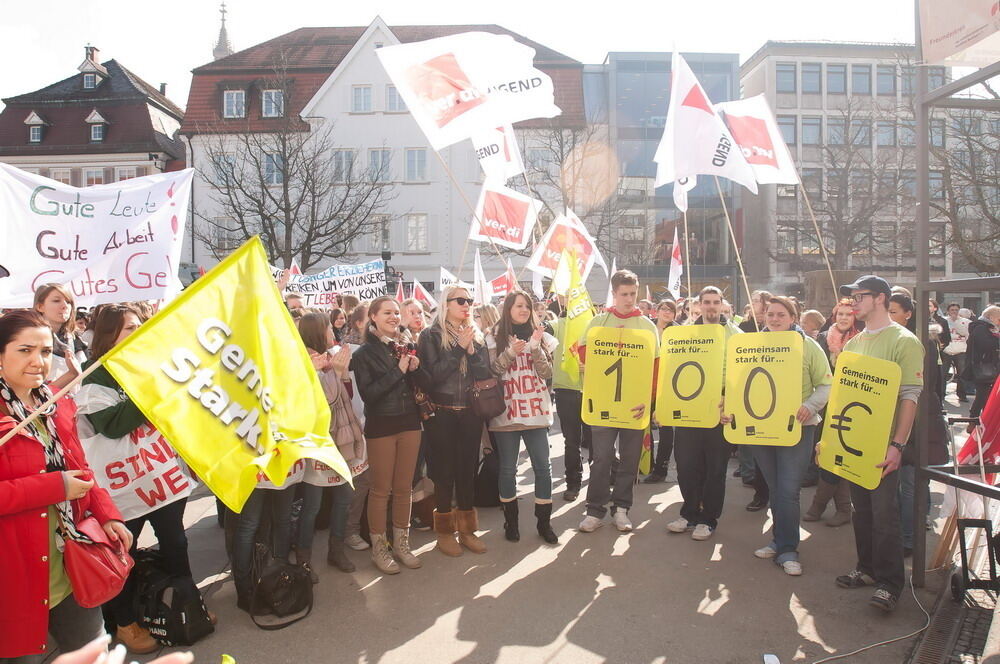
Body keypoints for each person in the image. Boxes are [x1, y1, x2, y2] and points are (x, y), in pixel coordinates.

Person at [0, 310, 131, 663]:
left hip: (71, 564)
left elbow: (81, 468)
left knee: (94, 656)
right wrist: (53, 487)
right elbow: (61, 481)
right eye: (25, 350)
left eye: (45, 352)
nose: (38, 361)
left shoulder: (52, 405)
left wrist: (107, 515)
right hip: (14, 578)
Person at [75, 305, 199, 653]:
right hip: (123, 486)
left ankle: (187, 604)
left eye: (140, 325)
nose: (138, 331)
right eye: (130, 328)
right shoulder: (93, 374)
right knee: (123, 552)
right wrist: (151, 389)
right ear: (109, 334)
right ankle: (126, 622)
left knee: (176, 541)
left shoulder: (151, 362)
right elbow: (111, 425)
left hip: (160, 477)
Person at [831, 275, 923, 612]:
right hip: (855, 443)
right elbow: (842, 397)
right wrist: (830, 441)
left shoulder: (904, 341)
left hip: (885, 447)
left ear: (881, 299)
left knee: (886, 515)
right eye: (852, 297)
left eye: (860, 296)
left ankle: (890, 583)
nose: (853, 303)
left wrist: (897, 446)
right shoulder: (853, 344)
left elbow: (911, 397)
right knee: (862, 511)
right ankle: (867, 569)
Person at [743, 297, 831, 576]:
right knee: (775, 488)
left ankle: (789, 548)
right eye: (770, 314)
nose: (775, 319)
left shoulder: (808, 346)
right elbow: (740, 384)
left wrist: (809, 406)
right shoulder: (753, 345)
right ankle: (778, 541)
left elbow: (826, 385)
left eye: (781, 314)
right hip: (763, 428)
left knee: (789, 490)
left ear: (793, 318)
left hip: (798, 430)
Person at [577, 270, 659, 534]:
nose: (629, 299)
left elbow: (656, 367)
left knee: (630, 459)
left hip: (634, 405)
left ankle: (621, 508)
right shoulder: (600, 321)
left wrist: (649, 401)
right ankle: (594, 510)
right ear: (614, 293)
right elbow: (582, 351)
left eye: (633, 294)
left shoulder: (647, 325)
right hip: (603, 402)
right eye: (624, 294)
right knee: (601, 457)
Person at [351, 297, 426, 574]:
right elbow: (370, 394)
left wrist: (418, 368)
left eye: (396, 312)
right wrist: (399, 371)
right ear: (373, 317)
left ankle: (402, 545)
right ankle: (379, 548)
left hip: (410, 422)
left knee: (404, 487)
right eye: (387, 313)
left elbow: (423, 384)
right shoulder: (362, 354)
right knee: (380, 489)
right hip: (381, 426)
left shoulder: (407, 345)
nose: (394, 317)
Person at [417, 286, 491, 556]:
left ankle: (468, 530)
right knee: (443, 474)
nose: (467, 305)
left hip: (470, 412)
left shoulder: (476, 333)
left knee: (467, 472)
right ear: (445, 304)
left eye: (470, 300)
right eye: (460, 300)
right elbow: (431, 377)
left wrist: (471, 350)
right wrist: (459, 349)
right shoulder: (430, 335)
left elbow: (484, 373)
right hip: (442, 412)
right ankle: (445, 532)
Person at [295, 313, 367, 577]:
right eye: (328, 328)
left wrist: (342, 373)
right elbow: (324, 401)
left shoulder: (331, 355)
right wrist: (335, 372)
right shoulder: (304, 361)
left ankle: (336, 550)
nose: (332, 332)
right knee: (312, 505)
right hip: (319, 441)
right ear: (317, 331)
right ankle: (303, 559)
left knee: (344, 498)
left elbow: (346, 397)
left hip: (342, 438)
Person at [667, 286, 742, 541]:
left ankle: (708, 519)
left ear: (722, 304)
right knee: (687, 465)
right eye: (707, 302)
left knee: (715, 468)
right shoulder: (686, 333)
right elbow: (672, 368)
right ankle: (689, 513)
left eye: (716, 302)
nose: (711, 306)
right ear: (699, 305)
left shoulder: (736, 335)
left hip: (721, 407)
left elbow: (741, 375)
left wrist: (730, 403)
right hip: (690, 405)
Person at [486, 290, 559, 545]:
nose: (524, 310)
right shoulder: (494, 337)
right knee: (508, 469)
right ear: (508, 309)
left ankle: (544, 523)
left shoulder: (542, 335)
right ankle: (511, 522)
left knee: (544, 467)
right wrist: (510, 353)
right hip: (507, 412)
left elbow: (547, 373)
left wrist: (536, 348)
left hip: (536, 411)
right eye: (519, 306)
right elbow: (492, 372)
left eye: (527, 306)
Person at [551, 296, 591, 502]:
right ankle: (573, 483)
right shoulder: (557, 324)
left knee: (596, 441)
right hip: (566, 391)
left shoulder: (595, 324)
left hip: (593, 391)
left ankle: (603, 479)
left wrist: (593, 365)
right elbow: (538, 329)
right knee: (572, 441)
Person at [644, 299, 679, 484]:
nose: (667, 312)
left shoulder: (678, 333)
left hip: (666, 387)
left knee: (665, 430)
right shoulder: (646, 327)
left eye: (671, 310)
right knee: (643, 427)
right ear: (657, 311)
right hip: (644, 384)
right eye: (664, 309)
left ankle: (661, 468)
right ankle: (644, 464)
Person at [33, 285, 87, 391]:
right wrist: (71, 374)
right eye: (56, 300)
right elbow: (32, 394)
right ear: (40, 306)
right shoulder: (30, 339)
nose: (65, 306)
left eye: (68, 301)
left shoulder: (74, 338)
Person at [964, 306, 1000, 423]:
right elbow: (986, 345)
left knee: (987, 396)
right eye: (998, 319)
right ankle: (973, 420)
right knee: (982, 396)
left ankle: (984, 419)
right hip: (982, 367)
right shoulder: (980, 328)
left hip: (988, 366)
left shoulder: (987, 328)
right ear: (991, 317)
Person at [943, 303, 973, 403]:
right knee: (943, 374)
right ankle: (941, 394)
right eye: (952, 310)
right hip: (947, 350)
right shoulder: (944, 321)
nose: (954, 312)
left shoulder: (966, 322)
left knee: (962, 374)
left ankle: (962, 395)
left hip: (961, 350)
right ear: (948, 311)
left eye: (956, 310)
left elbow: (968, 335)